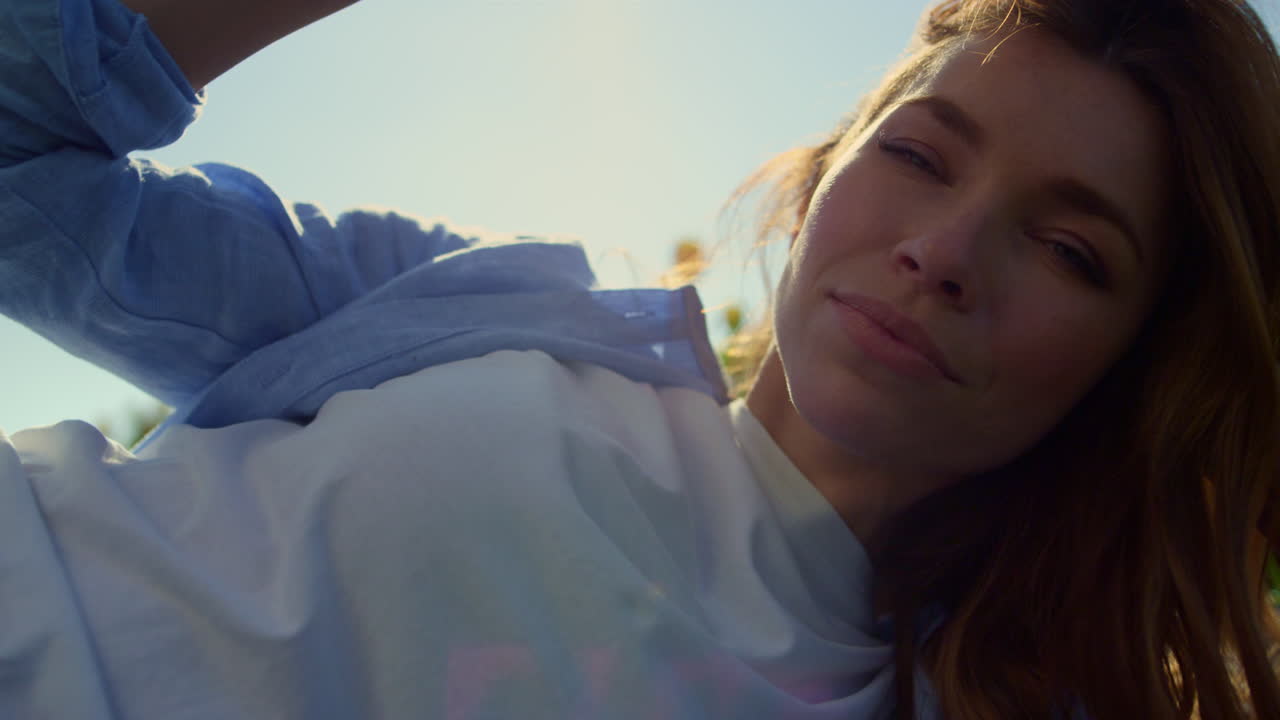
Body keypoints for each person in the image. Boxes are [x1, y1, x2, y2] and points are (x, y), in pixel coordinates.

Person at [0, 0, 1277, 718]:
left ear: (1138, 361)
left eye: (1066, 248)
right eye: (917, 152)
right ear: (823, 168)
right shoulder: (506, 296)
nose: (942, 251)